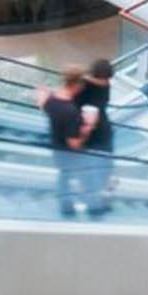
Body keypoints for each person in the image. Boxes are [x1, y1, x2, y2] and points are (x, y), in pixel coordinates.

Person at [36, 67, 95, 216]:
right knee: (84, 174)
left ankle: (67, 205)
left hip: (56, 147)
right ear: (76, 85)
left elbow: (43, 105)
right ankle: (73, 208)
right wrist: (87, 128)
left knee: (64, 176)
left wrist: (42, 93)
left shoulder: (52, 99)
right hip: (69, 154)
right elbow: (74, 143)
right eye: (82, 84)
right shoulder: (71, 111)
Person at [74, 58, 116, 213]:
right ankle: (92, 199)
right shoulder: (87, 86)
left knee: (100, 167)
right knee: (92, 167)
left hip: (100, 131)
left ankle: (99, 199)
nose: (106, 82)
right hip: (92, 130)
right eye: (104, 78)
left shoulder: (95, 85)